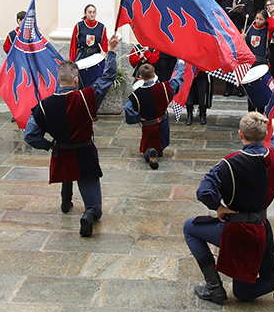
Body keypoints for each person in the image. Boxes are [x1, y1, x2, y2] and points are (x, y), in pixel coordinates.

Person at [182, 111, 274, 305]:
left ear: (240, 134)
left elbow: (204, 192)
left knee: (190, 228)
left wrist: (218, 208)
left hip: (239, 233)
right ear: (265, 135)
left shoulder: (228, 164)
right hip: (262, 230)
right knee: (253, 285)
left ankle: (214, 287)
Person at [25, 34, 120, 237]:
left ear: (58, 79)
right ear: (76, 80)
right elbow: (108, 77)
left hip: (61, 154)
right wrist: (111, 50)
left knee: (67, 168)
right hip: (85, 154)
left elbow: (30, 136)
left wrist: (49, 145)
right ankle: (89, 215)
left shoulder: (44, 106)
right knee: (95, 207)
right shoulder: (87, 96)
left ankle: (66, 202)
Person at [124, 60, 186, 168]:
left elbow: (127, 108)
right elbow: (178, 78)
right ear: (154, 75)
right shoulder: (165, 88)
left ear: (140, 77)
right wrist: (181, 64)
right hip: (163, 123)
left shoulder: (136, 95)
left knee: (148, 146)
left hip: (148, 126)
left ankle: (150, 153)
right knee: (161, 141)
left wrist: (137, 118)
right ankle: (157, 151)